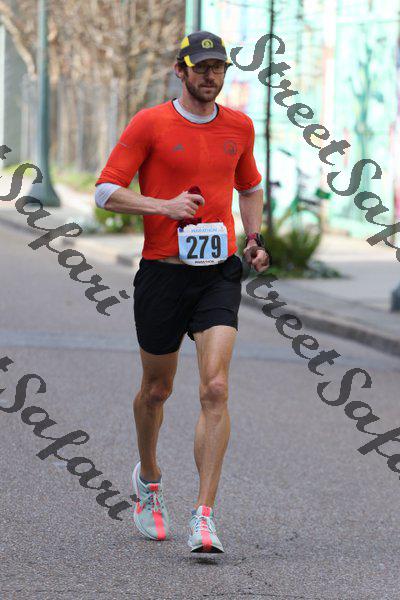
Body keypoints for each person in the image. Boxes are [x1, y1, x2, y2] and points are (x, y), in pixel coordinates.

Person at [94, 30, 270, 553]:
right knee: (156, 390)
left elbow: (249, 187)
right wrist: (162, 206)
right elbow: (105, 190)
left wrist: (254, 238)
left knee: (215, 387)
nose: (211, 76)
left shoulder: (239, 126)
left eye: (219, 68)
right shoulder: (149, 123)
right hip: (163, 273)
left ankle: (204, 516)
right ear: (180, 70)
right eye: (201, 67)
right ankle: (149, 480)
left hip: (218, 273)